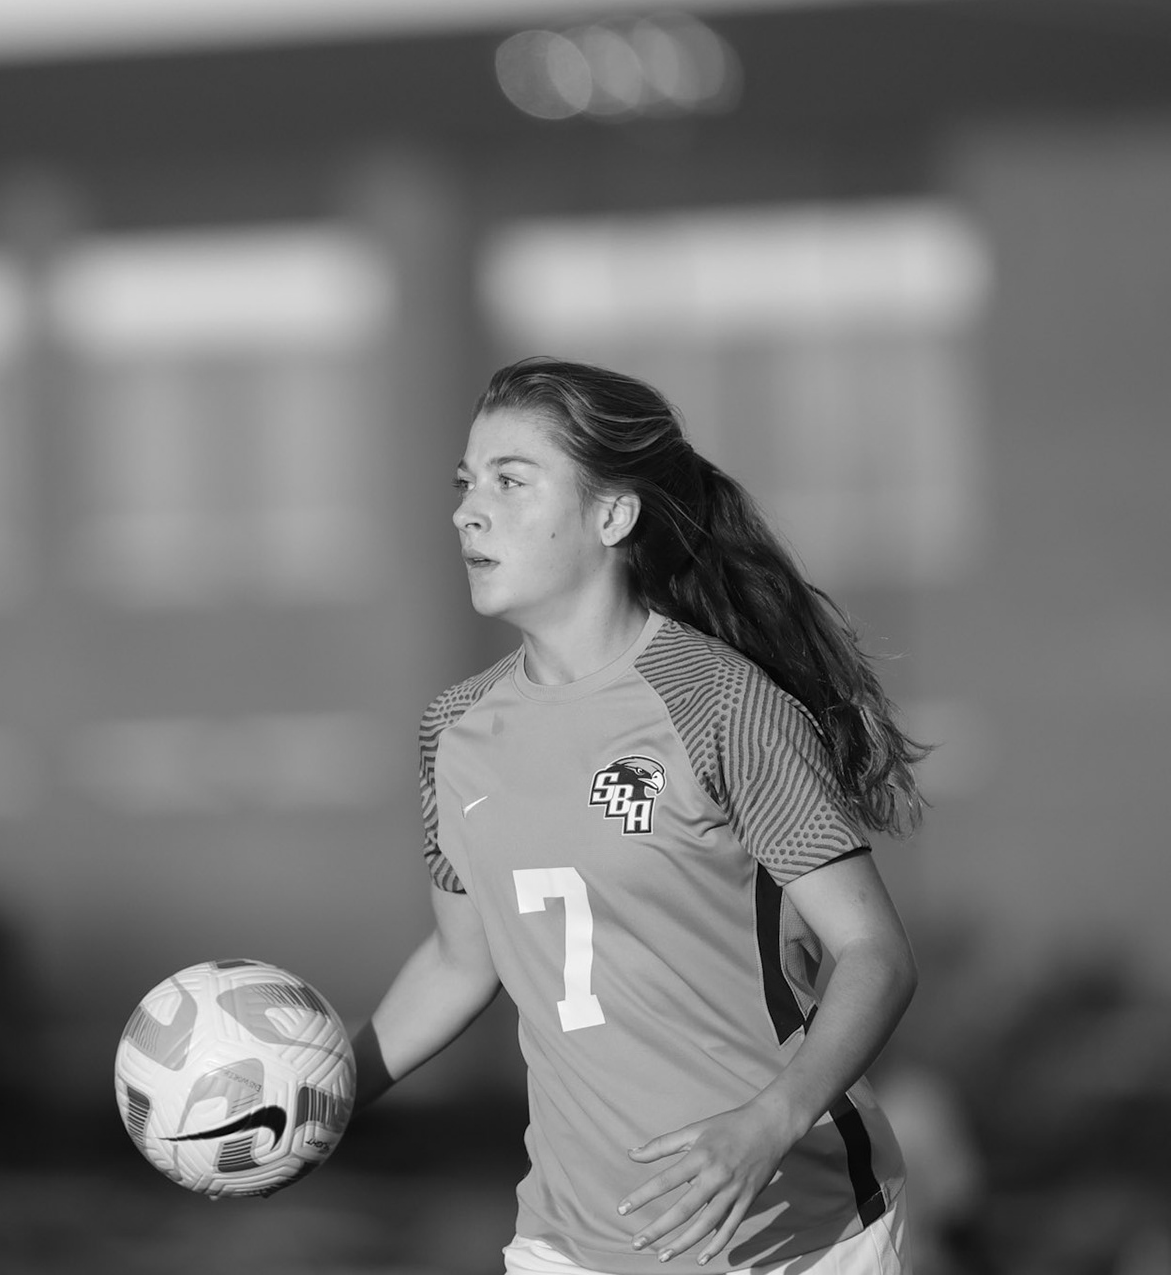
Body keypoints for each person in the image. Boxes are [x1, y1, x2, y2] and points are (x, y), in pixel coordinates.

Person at [351, 358, 925, 1275]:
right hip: (570, 1241)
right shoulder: (453, 731)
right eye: (466, 483)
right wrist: (322, 1092)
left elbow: (875, 956)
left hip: (791, 1234)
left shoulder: (720, 705)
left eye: (510, 481)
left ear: (613, 517)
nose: (467, 512)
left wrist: (768, 1124)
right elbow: (463, 960)